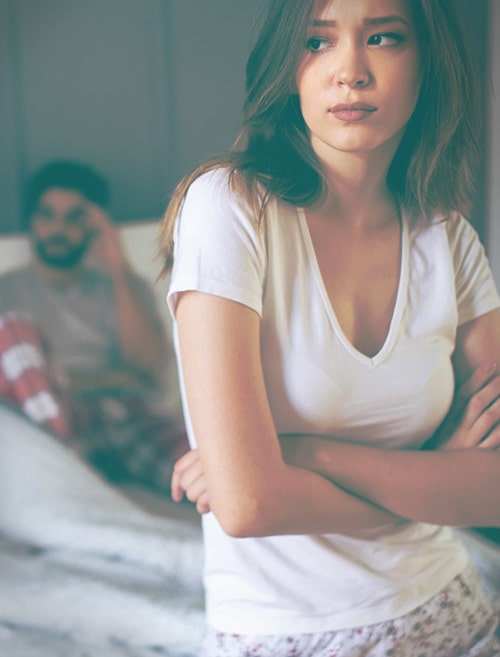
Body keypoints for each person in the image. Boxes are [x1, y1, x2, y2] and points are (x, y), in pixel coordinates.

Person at [159, 0, 500, 655]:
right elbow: (249, 507)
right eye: (317, 42)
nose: (351, 71)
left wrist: (304, 452)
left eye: (384, 38)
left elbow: (494, 490)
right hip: (288, 636)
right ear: (287, 68)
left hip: (456, 608)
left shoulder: (448, 237)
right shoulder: (231, 207)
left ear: (427, 61)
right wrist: (437, 475)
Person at [0, 160, 188, 493]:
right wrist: (112, 377)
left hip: (126, 415)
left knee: (203, 473)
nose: (58, 228)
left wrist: (116, 265)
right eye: (47, 215)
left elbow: (147, 367)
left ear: (94, 225)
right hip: (54, 423)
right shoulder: (8, 292)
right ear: (31, 220)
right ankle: (68, 470)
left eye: (74, 217)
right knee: (11, 330)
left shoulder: (124, 287)